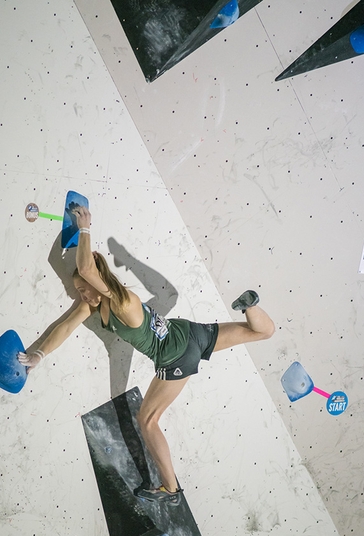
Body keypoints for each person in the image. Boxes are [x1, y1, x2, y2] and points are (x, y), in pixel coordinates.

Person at [18, 206, 275, 505]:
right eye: (77, 290)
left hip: (175, 356)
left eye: (84, 289)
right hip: (189, 333)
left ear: (98, 278)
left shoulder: (122, 300)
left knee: (148, 420)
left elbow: (88, 268)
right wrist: (39, 353)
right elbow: (64, 327)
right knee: (261, 332)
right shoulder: (93, 304)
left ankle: (170, 490)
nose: (82, 295)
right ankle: (250, 306)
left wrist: (85, 228)